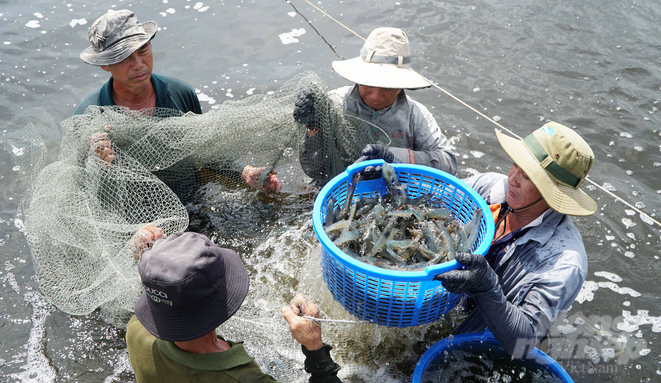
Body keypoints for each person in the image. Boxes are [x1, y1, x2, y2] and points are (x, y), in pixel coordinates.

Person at [434, 122, 595, 358]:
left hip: (480, 348)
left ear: (554, 193)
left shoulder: (563, 261)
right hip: (437, 304)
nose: (513, 179)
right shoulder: (488, 189)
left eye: (528, 176)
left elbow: (524, 340)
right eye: (515, 165)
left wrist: (486, 287)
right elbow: (429, 199)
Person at [77, 9, 280, 194]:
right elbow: (81, 192)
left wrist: (245, 171)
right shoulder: (88, 115)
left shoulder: (180, 93)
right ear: (105, 65)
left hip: (192, 203)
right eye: (125, 57)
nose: (138, 64)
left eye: (143, 50)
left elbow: (205, 150)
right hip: (137, 225)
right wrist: (97, 165)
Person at [126, 225, 342, 382]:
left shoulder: (137, 331)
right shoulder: (243, 378)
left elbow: (163, 300)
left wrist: (155, 263)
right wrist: (315, 348)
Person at [296, 27, 457, 185]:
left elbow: (448, 163)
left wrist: (395, 157)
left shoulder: (416, 115)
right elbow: (314, 170)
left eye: (387, 87)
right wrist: (313, 128)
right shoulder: (333, 104)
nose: (375, 96)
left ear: (402, 84)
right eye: (368, 84)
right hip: (341, 189)